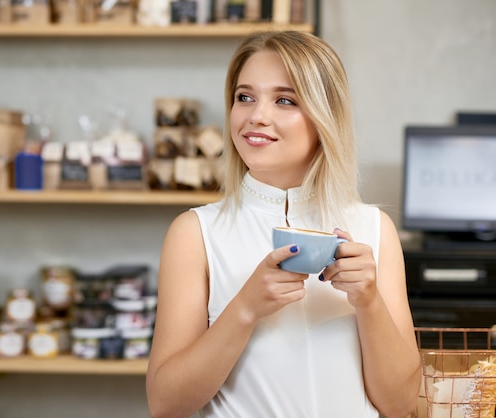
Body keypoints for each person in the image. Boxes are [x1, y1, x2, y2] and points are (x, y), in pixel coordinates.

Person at [145, 30, 421, 418]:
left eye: (284, 100)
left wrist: (369, 302)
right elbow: (165, 403)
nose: (257, 115)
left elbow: (402, 404)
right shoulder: (194, 233)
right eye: (245, 97)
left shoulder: (374, 229)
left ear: (325, 115)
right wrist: (245, 307)